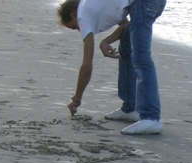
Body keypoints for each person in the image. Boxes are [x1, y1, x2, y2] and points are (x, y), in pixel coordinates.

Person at [57, 0, 166, 135]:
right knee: (127, 48)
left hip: (144, 3)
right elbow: (125, 24)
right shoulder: (91, 6)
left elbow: (87, 66)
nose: (79, 29)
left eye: (73, 27)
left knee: (141, 57)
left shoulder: (82, 17)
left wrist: (76, 99)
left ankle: (151, 117)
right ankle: (130, 108)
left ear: (73, 15)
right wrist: (106, 41)